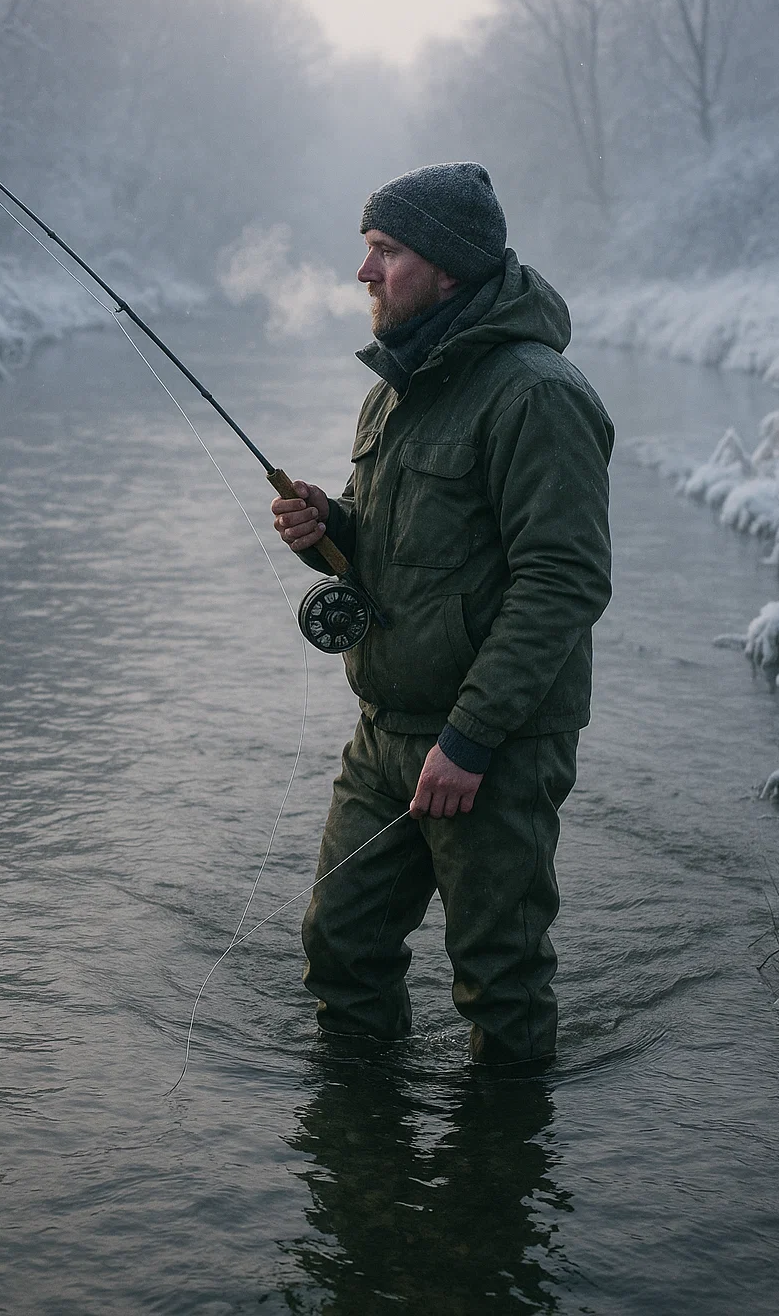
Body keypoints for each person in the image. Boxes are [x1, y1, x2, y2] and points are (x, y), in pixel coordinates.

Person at [271, 162, 613, 1072]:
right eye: (367, 251)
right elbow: (386, 552)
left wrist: (470, 740)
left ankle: (496, 1186)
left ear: (449, 269)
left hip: (492, 747)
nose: (364, 272)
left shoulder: (538, 395)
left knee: (499, 985)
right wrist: (325, 530)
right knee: (340, 951)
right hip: (384, 735)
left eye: (386, 251)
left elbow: (565, 581)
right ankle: (360, 1165)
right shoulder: (396, 387)